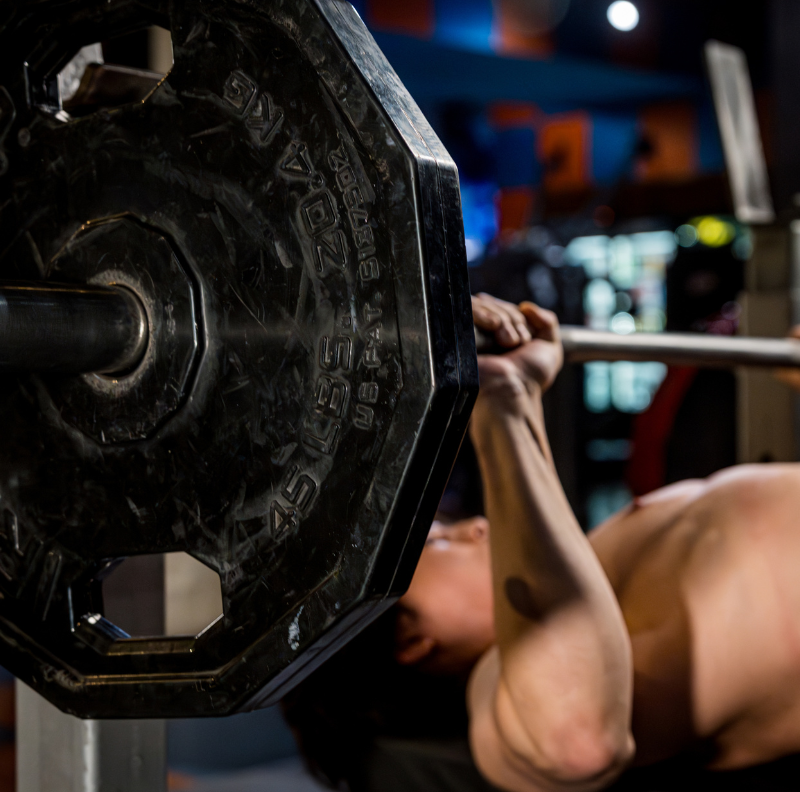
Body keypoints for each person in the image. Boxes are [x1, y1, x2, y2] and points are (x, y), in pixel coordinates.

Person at [284, 294, 800, 792]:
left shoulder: (590, 575)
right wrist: (498, 403)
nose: (476, 527)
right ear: (411, 641)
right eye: (437, 543)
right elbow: (576, 743)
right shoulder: (502, 704)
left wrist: (515, 384)